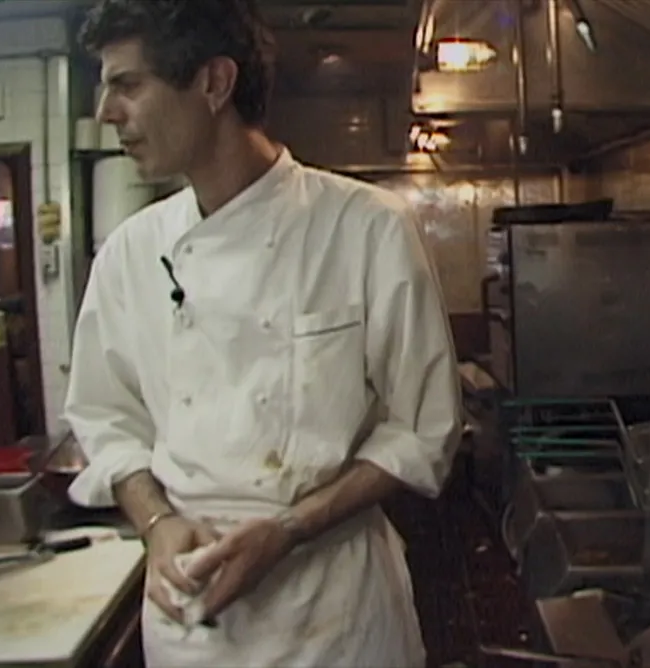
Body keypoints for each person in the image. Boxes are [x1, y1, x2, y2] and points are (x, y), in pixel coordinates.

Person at [63, 1, 462, 666]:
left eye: (127, 85)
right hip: (193, 620)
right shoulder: (129, 254)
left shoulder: (366, 228)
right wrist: (157, 522)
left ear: (214, 83)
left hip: (335, 619)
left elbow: (422, 431)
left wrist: (290, 528)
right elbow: (106, 418)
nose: (107, 112)